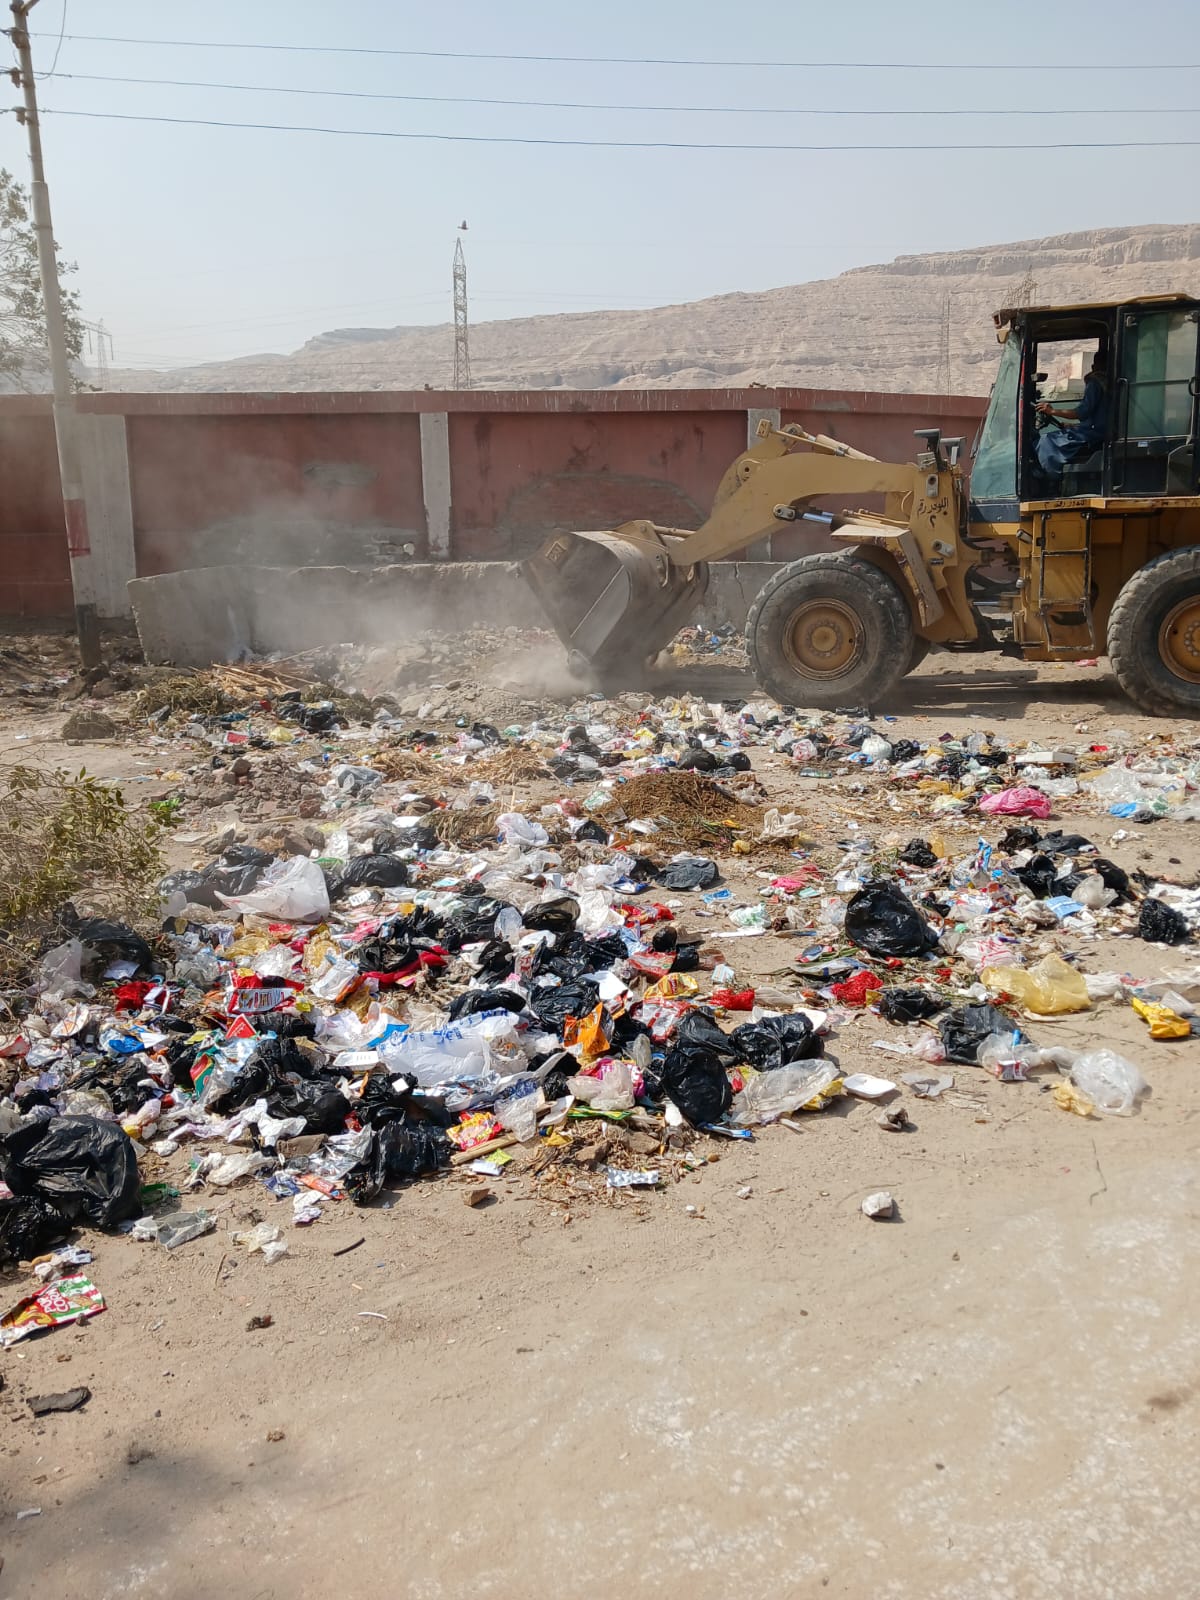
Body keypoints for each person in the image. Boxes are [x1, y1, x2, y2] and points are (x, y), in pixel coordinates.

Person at [1035, 351, 1108, 475]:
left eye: (1095, 363)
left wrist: (1052, 411)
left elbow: (1081, 413)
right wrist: (1073, 426)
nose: (1092, 367)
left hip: (1094, 434)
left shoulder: (1095, 383)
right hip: (1095, 430)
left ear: (1096, 365)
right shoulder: (1106, 383)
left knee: (1045, 441)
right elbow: (1095, 417)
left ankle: (1053, 476)